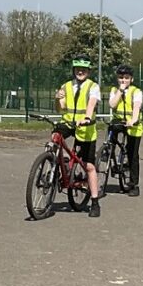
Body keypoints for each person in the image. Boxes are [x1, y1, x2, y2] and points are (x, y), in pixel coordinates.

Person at [55, 56, 102, 217]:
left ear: (88, 71)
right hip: (69, 123)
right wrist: (58, 99)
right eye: (77, 69)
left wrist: (87, 117)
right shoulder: (67, 86)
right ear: (73, 70)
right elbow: (60, 109)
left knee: (88, 166)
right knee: (55, 137)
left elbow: (92, 103)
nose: (80, 72)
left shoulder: (93, 87)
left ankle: (94, 202)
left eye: (83, 69)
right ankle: (55, 164)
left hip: (85, 127)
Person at [108, 64, 143, 197]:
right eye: (121, 77)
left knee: (133, 154)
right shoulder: (114, 90)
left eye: (126, 78)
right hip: (119, 121)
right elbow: (112, 104)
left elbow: (137, 107)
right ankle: (109, 152)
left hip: (133, 124)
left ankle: (134, 185)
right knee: (111, 128)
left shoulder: (136, 92)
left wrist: (133, 120)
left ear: (131, 79)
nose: (123, 80)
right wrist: (120, 91)